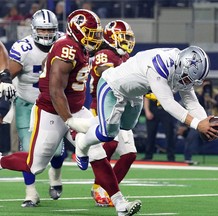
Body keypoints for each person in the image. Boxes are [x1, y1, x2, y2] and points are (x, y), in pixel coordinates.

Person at [0, 9, 141, 216]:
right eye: (91, 33)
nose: (95, 38)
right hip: (50, 110)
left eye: (97, 33)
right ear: (77, 30)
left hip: (76, 108)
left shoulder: (81, 46)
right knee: (35, 165)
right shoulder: (66, 48)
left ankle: (120, 203)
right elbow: (56, 90)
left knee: (98, 152)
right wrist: (69, 121)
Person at [74, 45, 218, 173]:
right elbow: (168, 103)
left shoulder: (182, 66)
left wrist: (205, 122)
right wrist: (198, 124)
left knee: (126, 126)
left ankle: (87, 124)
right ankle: (82, 143)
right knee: (108, 133)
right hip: (112, 86)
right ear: (181, 65)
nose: (186, 83)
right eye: (186, 78)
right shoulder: (160, 65)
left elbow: (191, 101)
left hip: (135, 94)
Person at [8, 9, 66, 207]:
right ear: (33, 30)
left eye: (50, 30)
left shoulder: (64, 44)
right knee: (28, 149)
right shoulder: (23, 48)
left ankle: (55, 176)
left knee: (57, 152)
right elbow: (9, 75)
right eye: (41, 30)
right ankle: (31, 192)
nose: (46, 34)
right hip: (26, 102)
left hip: (52, 104)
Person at [89, 20, 137, 207]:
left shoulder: (124, 56)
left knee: (129, 154)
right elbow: (107, 74)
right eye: (124, 37)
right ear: (112, 37)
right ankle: (98, 187)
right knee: (109, 144)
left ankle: (108, 189)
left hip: (122, 107)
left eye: (128, 38)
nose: (127, 41)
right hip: (103, 106)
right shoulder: (105, 53)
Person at [178, 79, 218, 165]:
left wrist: (210, 100)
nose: (206, 87)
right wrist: (201, 96)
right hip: (200, 121)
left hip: (213, 120)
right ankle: (187, 158)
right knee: (191, 138)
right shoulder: (198, 92)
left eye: (208, 85)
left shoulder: (215, 92)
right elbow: (192, 104)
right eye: (205, 85)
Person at [142, 95, 176, 162]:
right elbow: (146, 97)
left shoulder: (168, 84)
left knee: (170, 134)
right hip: (152, 109)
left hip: (166, 110)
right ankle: (148, 156)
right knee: (150, 134)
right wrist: (147, 111)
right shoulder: (150, 84)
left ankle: (171, 157)